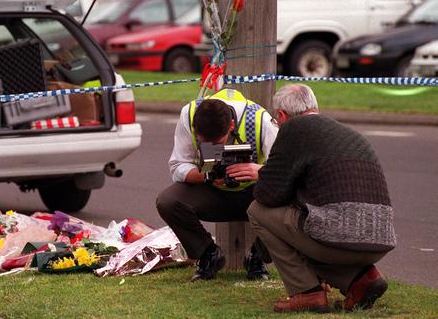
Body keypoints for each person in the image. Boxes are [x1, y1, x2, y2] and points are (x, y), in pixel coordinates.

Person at [247, 84, 395, 313]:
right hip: (380, 239)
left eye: (277, 121)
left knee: (258, 211)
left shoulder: (293, 129)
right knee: (314, 225)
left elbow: (268, 195)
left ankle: (306, 292)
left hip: (337, 240)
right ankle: (361, 279)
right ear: (314, 107)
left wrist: (261, 172)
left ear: (282, 115)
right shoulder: (349, 134)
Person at [156, 87, 278, 282]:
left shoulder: (260, 120)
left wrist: (258, 171)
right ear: (195, 128)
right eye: (206, 144)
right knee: (167, 201)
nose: (214, 148)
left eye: (218, 142)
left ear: (231, 126)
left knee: (289, 199)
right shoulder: (188, 115)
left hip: (253, 193)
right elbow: (178, 165)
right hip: (211, 190)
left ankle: (258, 257)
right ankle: (208, 254)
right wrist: (207, 177)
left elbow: (283, 169)